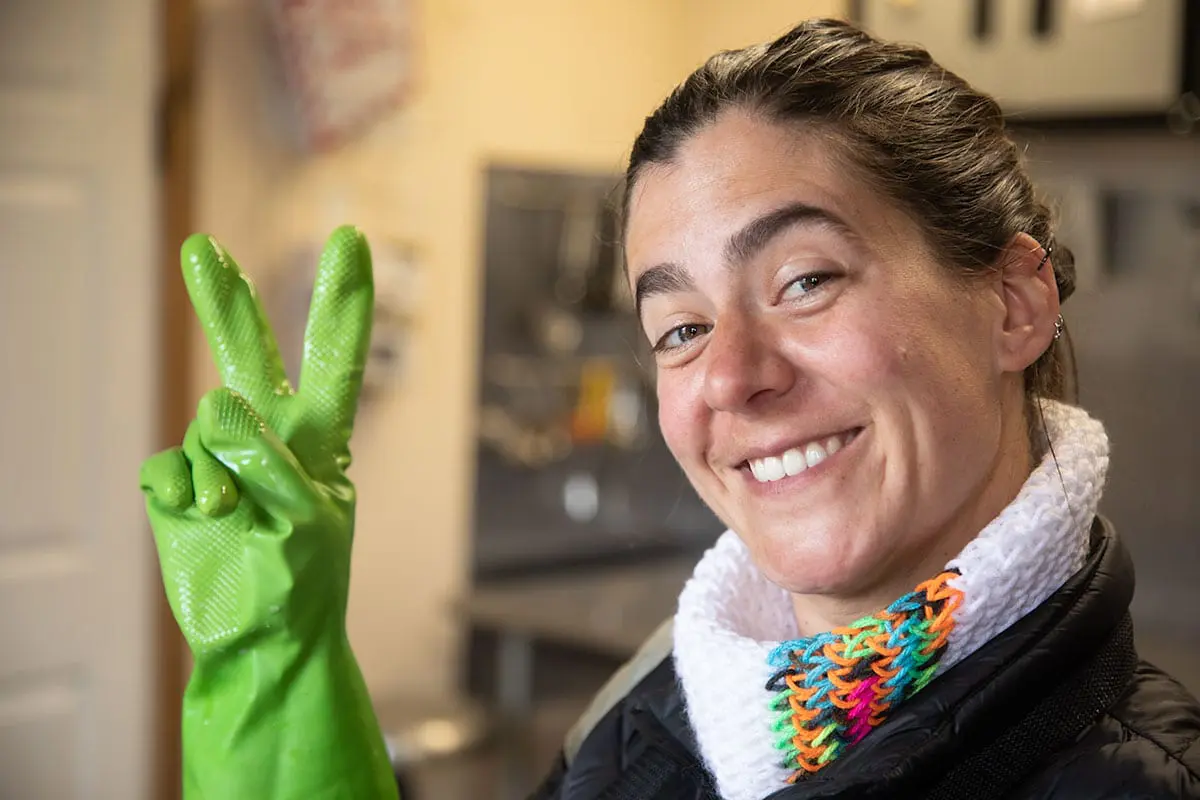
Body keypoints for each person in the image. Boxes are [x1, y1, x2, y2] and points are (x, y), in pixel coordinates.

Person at [140, 16, 1200, 800]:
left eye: (803, 280)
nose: (733, 376)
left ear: (1013, 302)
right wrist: (277, 677)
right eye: (680, 327)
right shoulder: (668, 699)